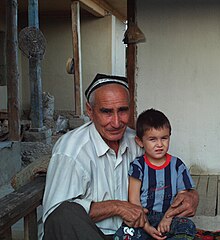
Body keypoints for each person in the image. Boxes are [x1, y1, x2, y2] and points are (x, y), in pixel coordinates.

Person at [42, 74, 199, 240]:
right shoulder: (72, 150)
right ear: (90, 111)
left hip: (131, 234)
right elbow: (56, 216)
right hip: (88, 234)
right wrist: (117, 207)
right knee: (65, 214)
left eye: (122, 110)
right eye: (106, 112)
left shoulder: (137, 142)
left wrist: (191, 196)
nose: (116, 123)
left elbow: (167, 173)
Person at [114, 109, 197, 240]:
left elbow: (181, 199)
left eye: (164, 138)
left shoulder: (177, 165)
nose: (159, 144)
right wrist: (146, 226)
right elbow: (134, 201)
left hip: (169, 217)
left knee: (187, 226)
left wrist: (168, 218)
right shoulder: (138, 166)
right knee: (126, 232)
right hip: (144, 218)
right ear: (140, 141)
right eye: (152, 139)